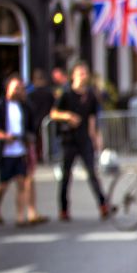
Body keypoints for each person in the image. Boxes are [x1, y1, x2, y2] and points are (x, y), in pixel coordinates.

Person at [50, 63, 110, 222]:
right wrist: (68, 116)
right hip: (68, 139)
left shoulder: (90, 95)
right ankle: (63, 209)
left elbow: (92, 118)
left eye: (86, 73)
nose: (84, 76)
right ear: (73, 76)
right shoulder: (66, 93)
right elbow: (54, 113)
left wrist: (96, 138)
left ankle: (103, 206)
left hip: (84, 139)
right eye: (81, 73)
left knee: (92, 173)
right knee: (66, 175)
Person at [0, 75, 49, 228]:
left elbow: (31, 126)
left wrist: (29, 138)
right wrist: (4, 136)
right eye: (16, 88)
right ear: (8, 89)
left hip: (20, 150)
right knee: (2, 184)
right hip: (5, 151)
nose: (18, 91)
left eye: (21, 88)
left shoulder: (25, 106)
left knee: (22, 182)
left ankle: (19, 217)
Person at [26, 69, 55, 163]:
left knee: (35, 141)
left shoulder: (30, 94)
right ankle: (44, 156)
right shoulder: (49, 93)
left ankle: (37, 156)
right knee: (45, 140)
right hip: (46, 119)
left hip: (35, 119)